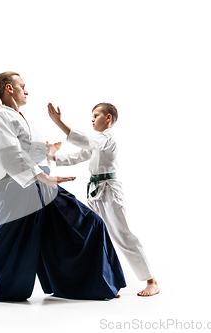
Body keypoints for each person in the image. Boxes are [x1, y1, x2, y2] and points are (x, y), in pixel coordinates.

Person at [0, 72, 126, 301]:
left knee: (89, 223)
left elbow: (32, 151)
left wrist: (49, 151)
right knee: (4, 243)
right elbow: (9, 155)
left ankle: (100, 283)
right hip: (20, 187)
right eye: (22, 86)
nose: (26, 90)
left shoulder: (21, 117)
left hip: (43, 186)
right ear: (9, 88)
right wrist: (42, 175)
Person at [47, 102, 160, 297]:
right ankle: (106, 281)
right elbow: (78, 156)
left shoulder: (107, 138)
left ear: (108, 118)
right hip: (95, 191)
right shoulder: (98, 141)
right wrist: (52, 157)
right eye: (92, 115)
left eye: (96, 115)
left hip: (109, 191)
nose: (92, 119)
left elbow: (88, 143)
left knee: (122, 235)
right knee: (95, 233)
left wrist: (59, 122)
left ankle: (152, 281)